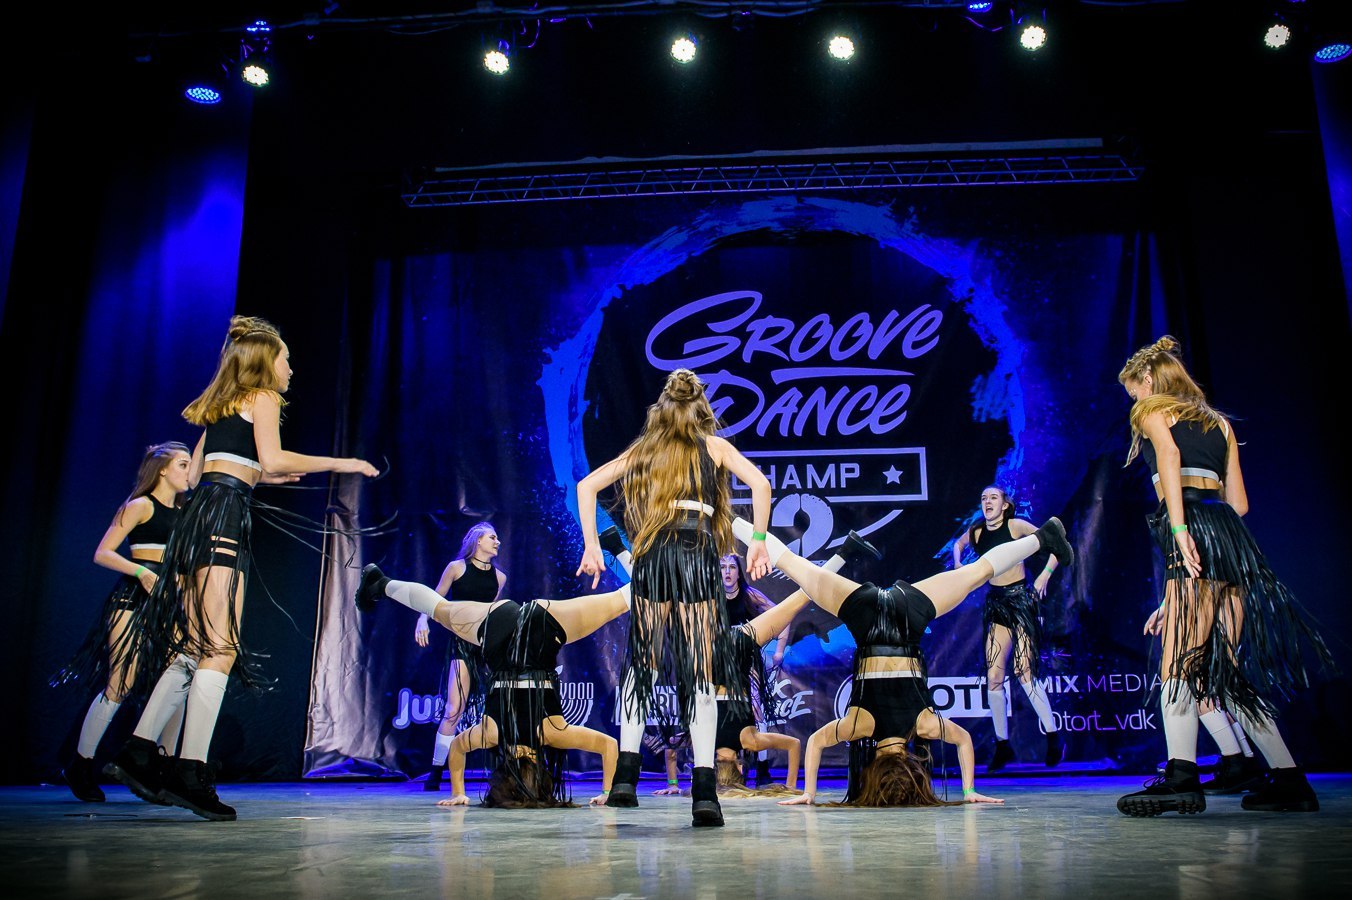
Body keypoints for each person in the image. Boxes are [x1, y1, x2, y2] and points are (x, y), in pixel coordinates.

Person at [104, 316, 378, 821]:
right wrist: (344, 463)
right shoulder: (264, 397)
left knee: (193, 646)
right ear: (265, 362)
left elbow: (204, 474)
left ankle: (139, 752)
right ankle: (189, 770)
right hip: (224, 517)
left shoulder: (222, 405)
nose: (291, 369)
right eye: (286, 359)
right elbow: (271, 459)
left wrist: (258, 474)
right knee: (220, 648)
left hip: (198, 518)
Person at [1115, 335, 1331, 817]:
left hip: (1190, 527)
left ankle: (1181, 777)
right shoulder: (1220, 423)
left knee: (1177, 664)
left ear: (1147, 379)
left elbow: (1169, 458)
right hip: (1232, 540)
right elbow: (1240, 504)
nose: (1133, 399)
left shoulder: (1152, 410)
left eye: (1133, 390)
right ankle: (1291, 780)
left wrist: (1179, 529)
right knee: (1224, 674)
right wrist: (1177, 591)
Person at [725, 515, 1074, 807]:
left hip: (909, 611)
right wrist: (809, 793)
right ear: (875, 764)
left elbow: (963, 740)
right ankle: (729, 522)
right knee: (793, 565)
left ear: (909, 759)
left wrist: (969, 790)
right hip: (864, 613)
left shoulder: (923, 725)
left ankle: (1042, 537)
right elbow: (815, 743)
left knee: (978, 572)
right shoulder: (860, 725)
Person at [575, 368, 772, 827]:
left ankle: (625, 780)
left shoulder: (649, 447)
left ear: (661, 409)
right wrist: (759, 541)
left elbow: (587, 486)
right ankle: (704, 792)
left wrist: (591, 545)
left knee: (642, 664)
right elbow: (761, 485)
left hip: (655, 554)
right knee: (701, 671)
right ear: (701, 406)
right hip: (697, 553)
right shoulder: (713, 446)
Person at [355, 563, 628, 808]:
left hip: (544, 627)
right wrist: (458, 792)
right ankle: (381, 583)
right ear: (503, 771)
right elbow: (457, 748)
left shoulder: (551, 733)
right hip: (497, 627)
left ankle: (646, 566)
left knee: (619, 601)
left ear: (541, 768)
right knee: (438, 610)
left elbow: (609, 746)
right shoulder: (492, 733)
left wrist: (607, 791)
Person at [53, 442, 192, 802]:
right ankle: (80, 764)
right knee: (122, 680)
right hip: (132, 599)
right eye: (183, 464)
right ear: (163, 469)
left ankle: (161, 767)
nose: (189, 470)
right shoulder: (140, 505)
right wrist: (141, 572)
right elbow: (102, 552)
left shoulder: (185, 512)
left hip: (169, 604)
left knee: (178, 679)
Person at [951, 485, 1064, 770]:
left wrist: (1044, 576)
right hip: (997, 605)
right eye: (983, 498)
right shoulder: (977, 532)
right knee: (994, 676)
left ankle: (1053, 736)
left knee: (1024, 671)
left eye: (993, 498)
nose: (987, 502)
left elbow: (1056, 544)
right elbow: (958, 545)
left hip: (1021, 602)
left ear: (1004, 505)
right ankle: (1002, 745)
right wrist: (958, 565)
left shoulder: (1016, 526)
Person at [413, 523, 506, 791]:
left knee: (498, 709)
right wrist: (422, 620)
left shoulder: (500, 578)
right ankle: (436, 771)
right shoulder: (456, 568)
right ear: (478, 541)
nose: (497, 542)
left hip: (488, 647)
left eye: (498, 538)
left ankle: (503, 769)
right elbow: (434, 599)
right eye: (492, 537)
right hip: (462, 644)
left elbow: (491, 613)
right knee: (454, 709)